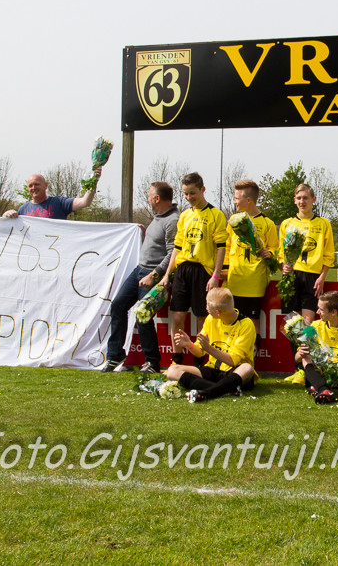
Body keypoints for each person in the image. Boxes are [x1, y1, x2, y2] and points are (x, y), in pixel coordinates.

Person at [102, 181, 179, 374]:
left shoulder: (173, 220)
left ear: (157, 198)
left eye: (149, 196)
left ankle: (152, 362)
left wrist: (155, 275)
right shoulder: (158, 217)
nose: (147, 199)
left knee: (143, 314)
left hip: (153, 274)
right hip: (139, 270)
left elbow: (173, 253)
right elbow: (157, 244)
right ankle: (115, 354)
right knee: (118, 305)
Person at [277, 183, 335, 384]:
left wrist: (322, 276)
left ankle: (309, 368)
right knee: (293, 326)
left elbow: (328, 254)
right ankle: (299, 370)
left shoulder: (323, 224)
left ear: (313, 200)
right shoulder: (287, 223)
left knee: (307, 325)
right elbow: (281, 251)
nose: (302, 201)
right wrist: (284, 265)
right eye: (299, 198)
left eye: (306, 198)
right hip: (292, 277)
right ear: (294, 200)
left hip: (313, 277)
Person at [157, 172, 228, 337]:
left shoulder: (216, 215)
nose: (189, 197)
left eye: (192, 193)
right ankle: (176, 353)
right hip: (182, 270)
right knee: (177, 317)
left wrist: (215, 276)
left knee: (203, 319)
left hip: (203, 271)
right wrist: (167, 274)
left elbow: (221, 248)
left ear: (203, 189)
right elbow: (177, 248)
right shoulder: (184, 215)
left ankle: (201, 353)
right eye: (186, 194)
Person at [165, 287, 257, 402]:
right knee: (172, 371)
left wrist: (209, 348)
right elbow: (199, 352)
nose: (206, 308)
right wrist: (189, 344)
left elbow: (232, 361)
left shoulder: (246, 324)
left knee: (247, 368)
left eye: (208, 305)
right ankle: (226, 389)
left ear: (218, 312)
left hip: (234, 372)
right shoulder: (210, 319)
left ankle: (208, 392)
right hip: (213, 370)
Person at [224, 179, 278, 331]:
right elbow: (227, 247)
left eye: (236, 198)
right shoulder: (233, 222)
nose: (234, 201)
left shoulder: (267, 223)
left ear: (248, 200)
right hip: (234, 280)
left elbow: (275, 249)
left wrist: (270, 253)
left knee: (252, 322)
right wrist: (225, 269)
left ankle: (252, 347)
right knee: (233, 321)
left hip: (255, 281)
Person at [1, 167, 102, 219]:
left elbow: (85, 202)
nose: (33, 188)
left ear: (46, 185)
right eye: (30, 186)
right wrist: (6, 215)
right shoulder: (23, 209)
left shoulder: (59, 203)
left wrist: (93, 181)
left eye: (37, 184)